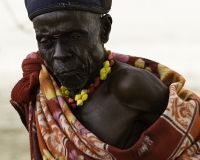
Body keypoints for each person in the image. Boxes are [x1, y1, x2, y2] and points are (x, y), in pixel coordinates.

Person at [10, 0, 200, 159]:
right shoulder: (45, 88)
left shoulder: (130, 87)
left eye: (73, 37)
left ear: (104, 30)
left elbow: (192, 142)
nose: (59, 54)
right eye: (46, 41)